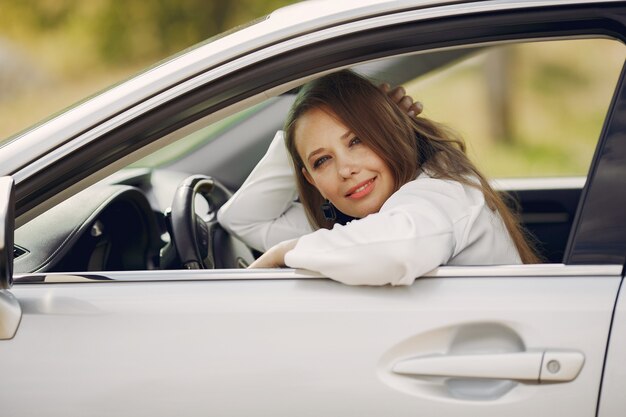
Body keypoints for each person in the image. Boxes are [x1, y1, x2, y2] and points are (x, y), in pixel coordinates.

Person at [218, 70, 538, 285]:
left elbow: (399, 250)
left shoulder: (440, 192)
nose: (346, 170)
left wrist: (280, 254)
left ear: (386, 131)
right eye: (323, 160)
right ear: (311, 180)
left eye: (357, 140)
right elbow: (244, 220)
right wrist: (299, 144)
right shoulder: (361, 226)